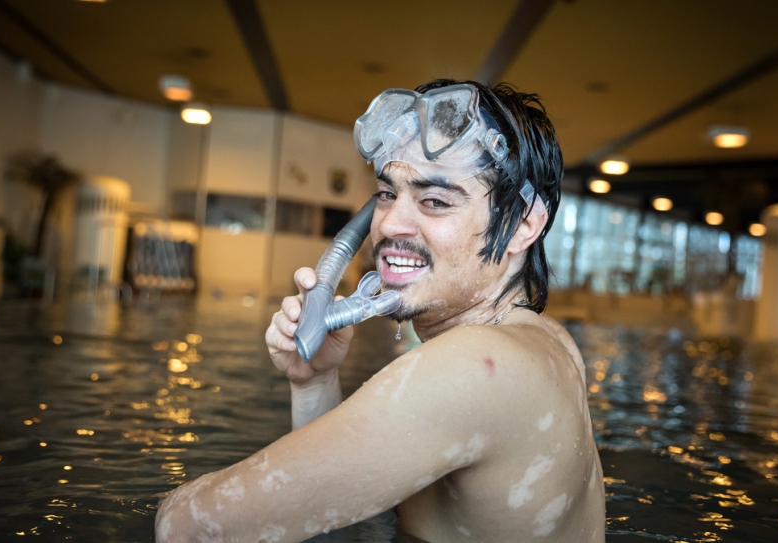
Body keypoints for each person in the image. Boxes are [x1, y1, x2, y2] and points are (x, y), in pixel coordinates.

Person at [155, 79, 605, 543]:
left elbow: (188, 526)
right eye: (387, 194)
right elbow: (346, 519)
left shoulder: (474, 368)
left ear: (522, 226)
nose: (388, 224)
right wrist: (314, 382)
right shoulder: (549, 341)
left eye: (435, 201)